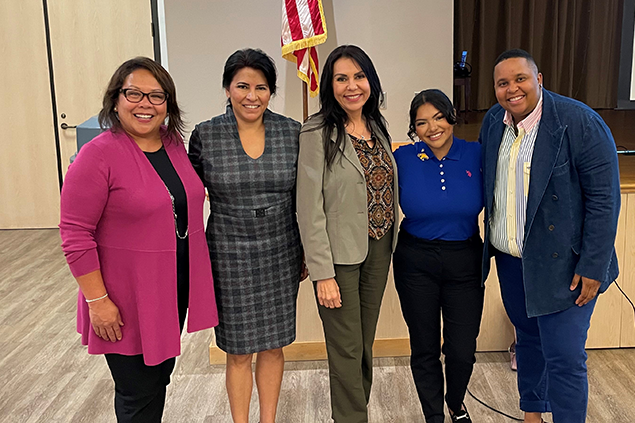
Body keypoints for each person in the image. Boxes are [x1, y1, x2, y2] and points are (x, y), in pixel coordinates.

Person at [59, 57, 218, 422]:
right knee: (138, 393)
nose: (145, 104)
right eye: (134, 93)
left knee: (158, 379)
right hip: (123, 297)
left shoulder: (172, 144)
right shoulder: (97, 155)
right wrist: (98, 301)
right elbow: (74, 234)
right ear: (116, 99)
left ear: (168, 105)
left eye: (156, 96)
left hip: (169, 291)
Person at [479, 49, 620, 423]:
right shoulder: (494, 122)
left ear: (538, 79)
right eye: (503, 83)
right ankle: (533, 415)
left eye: (520, 79)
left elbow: (604, 201)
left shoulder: (580, 122)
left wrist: (594, 266)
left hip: (567, 267)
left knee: (564, 357)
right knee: (527, 343)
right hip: (512, 263)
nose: (513, 89)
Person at [188, 48, 305, 423]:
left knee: (272, 345)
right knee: (237, 350)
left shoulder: (292, 131)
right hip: (228, 250)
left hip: (281, 248)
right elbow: (185, 193)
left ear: (271, 91)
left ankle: (267, 420)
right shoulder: (205, 135)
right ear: (227, 89)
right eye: (242, 86)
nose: (251, 95)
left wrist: (308, 252)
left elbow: (305, 196)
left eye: (261, 87)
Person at [297, 44, 399, 423]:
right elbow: (308, 207)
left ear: (370, 81)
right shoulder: (317, 131)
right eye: (342, 78)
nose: (351, 85)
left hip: (378, 249)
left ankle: (355, 414)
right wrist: (322, 273)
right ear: (330, 85)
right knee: (346, 348)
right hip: (337, 260)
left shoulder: (377, 127)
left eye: (359, 76)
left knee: (364, 346)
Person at [392, 89, 484, 423]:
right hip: (416, 260)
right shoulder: (402, 158)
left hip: (465, 259)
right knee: (425, 346)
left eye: (438, 117)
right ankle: (434, 416)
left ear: (451, 116)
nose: (432, 127)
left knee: (462, 350)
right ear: (413, 129)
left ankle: (456, 403)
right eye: (421, 123)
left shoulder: (476, 154)